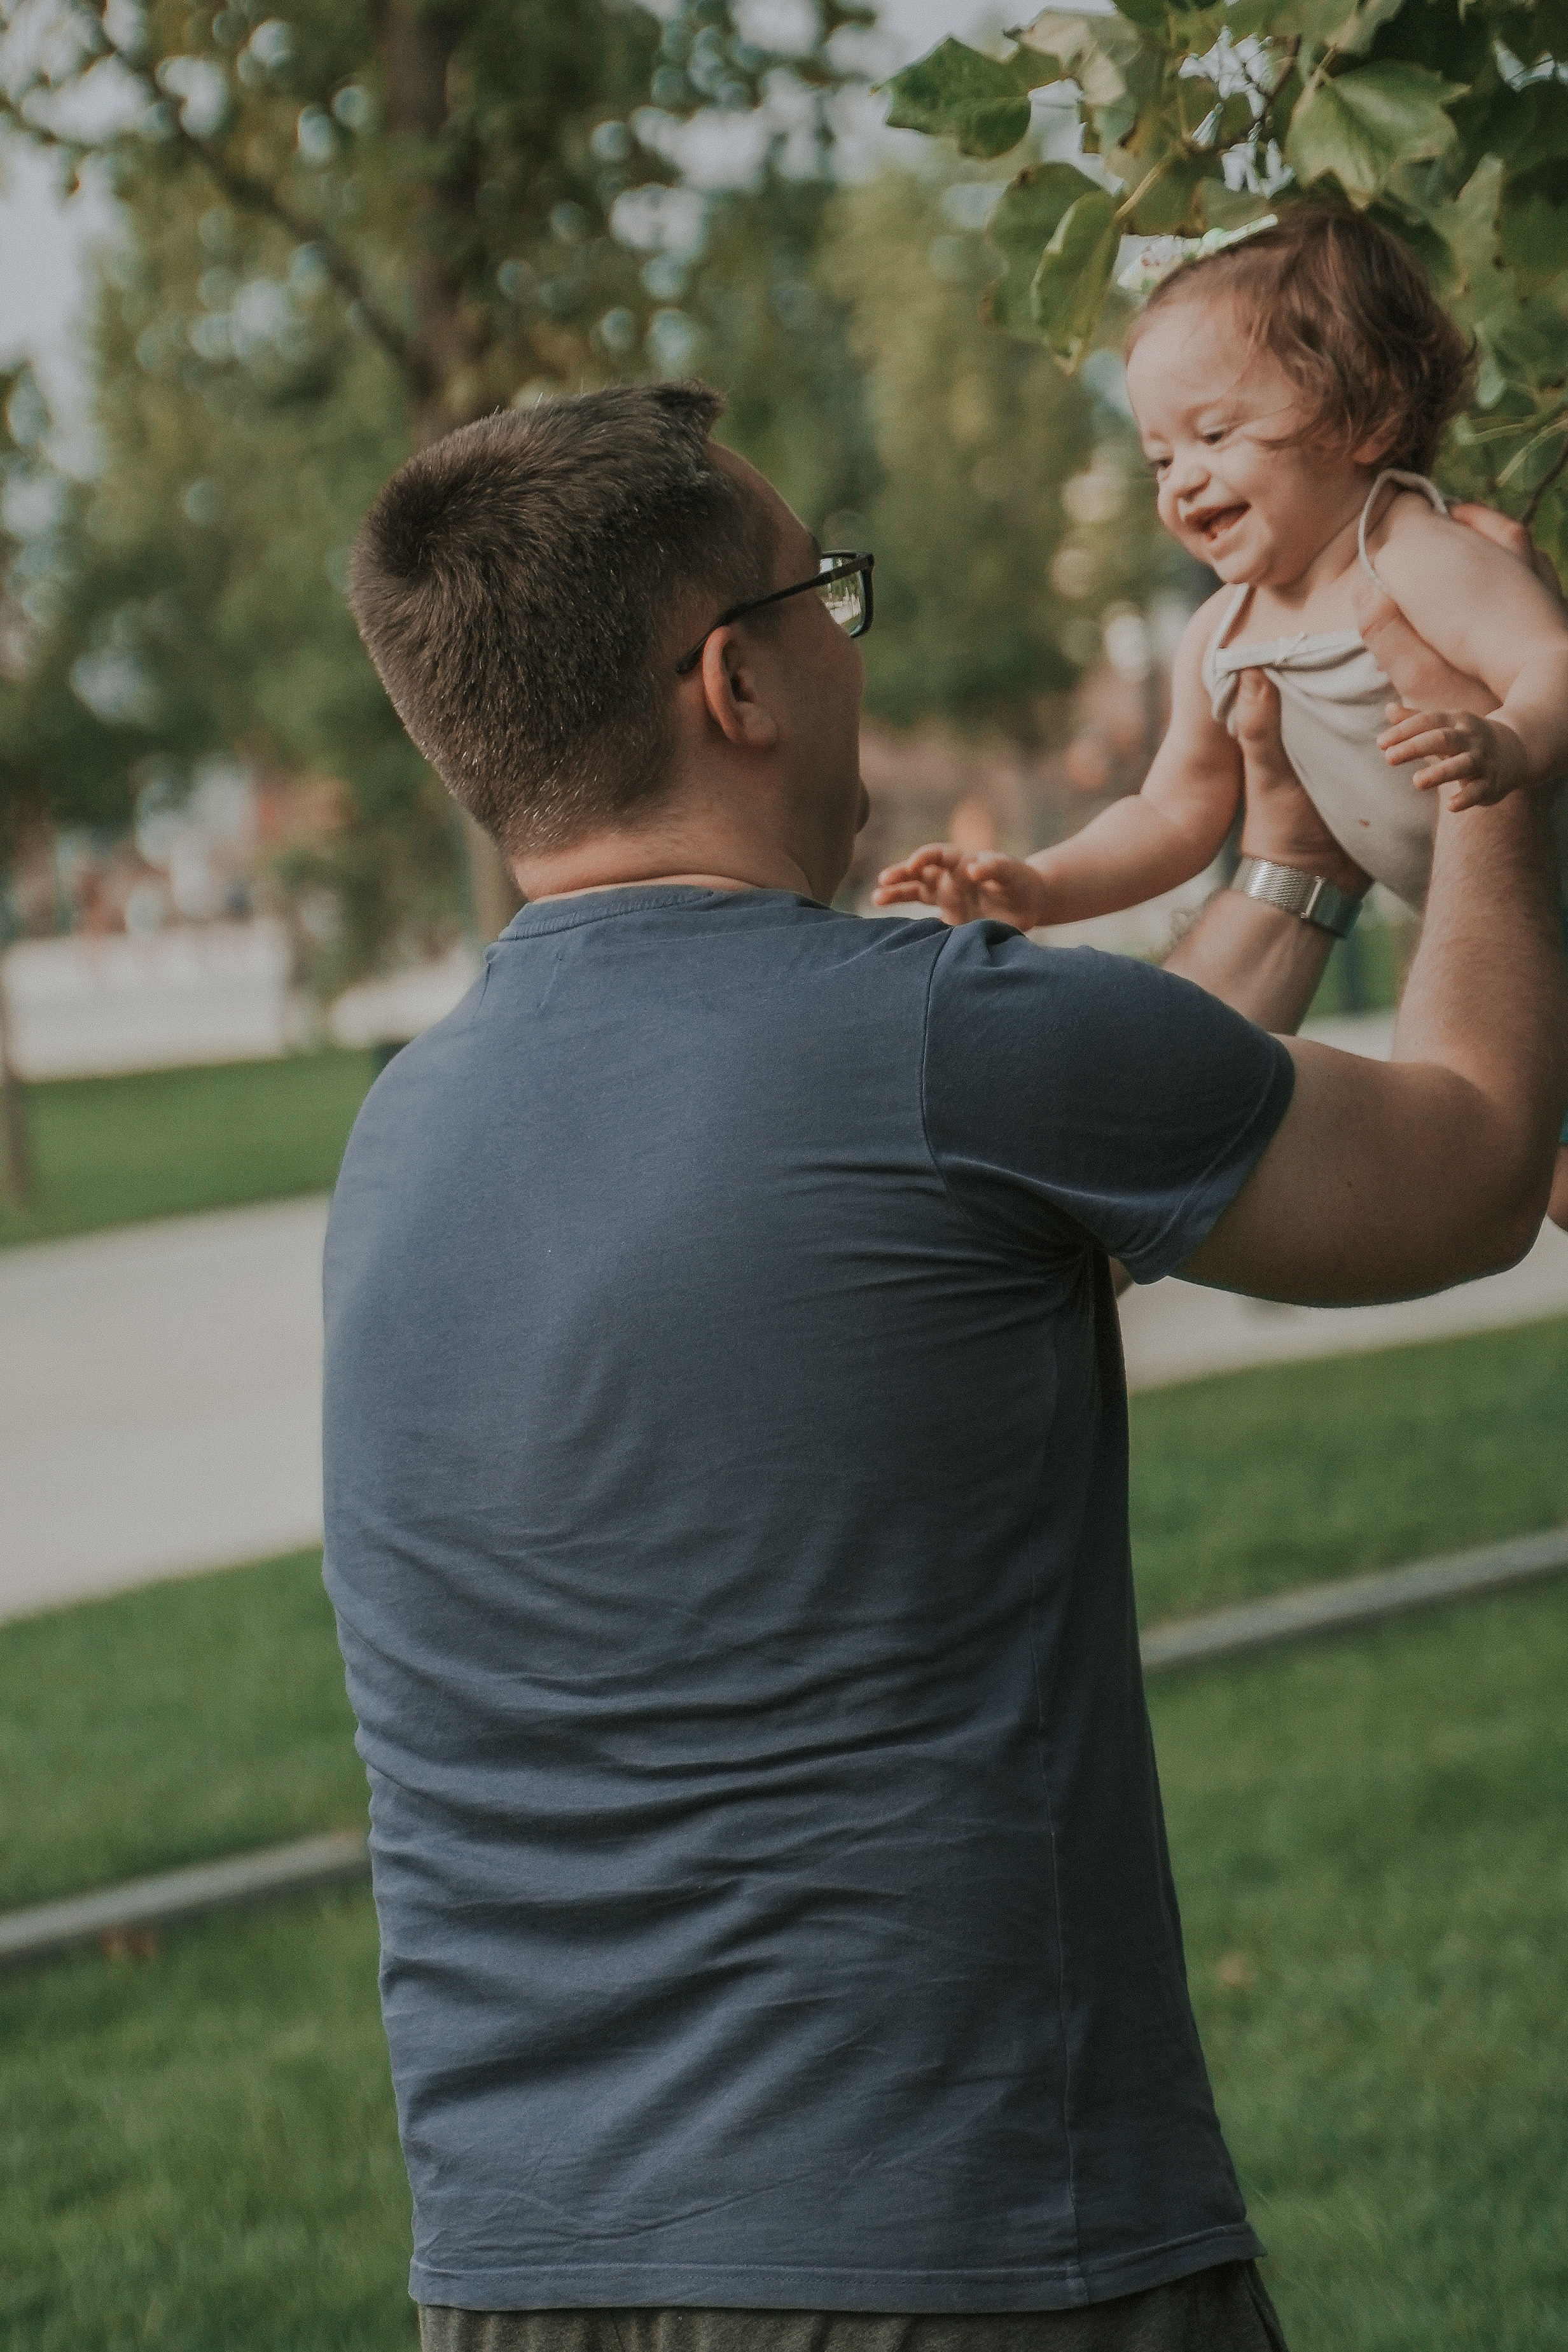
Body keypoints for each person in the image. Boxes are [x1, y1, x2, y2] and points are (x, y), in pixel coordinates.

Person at [323, 382, 1567, 2352]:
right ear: (733, 680)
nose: (843, 638)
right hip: (965, 2259)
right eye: (827, 591)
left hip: (525, 2274)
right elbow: (1476, 1163)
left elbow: (1034, 1191)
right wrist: (1487, 782)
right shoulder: (938, 1045)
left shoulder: (410, 1130)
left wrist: (1287, 871)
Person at [870, 209, 1568, 1225]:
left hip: (1542, 881)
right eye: (1158, 458)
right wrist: (1038, 885)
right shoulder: (1220, 631)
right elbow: (1170, 815)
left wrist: (1505, 740)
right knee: (1541, 1187)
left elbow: (1550, 658)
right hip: (1520, 937)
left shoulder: (1411, 550)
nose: (1181, 478)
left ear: (1364, 415)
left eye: (1214, 433)